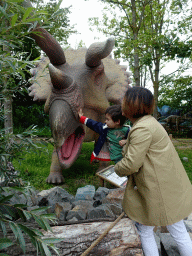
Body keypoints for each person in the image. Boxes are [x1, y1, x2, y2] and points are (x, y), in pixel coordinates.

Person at [114, 86, 192, 256]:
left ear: (132, 107)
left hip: (159, 192)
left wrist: (116, 168)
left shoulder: (142, 128)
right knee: (178, 231)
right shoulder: (149, 123)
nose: (122, 105)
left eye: (124, 101)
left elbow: (131, 164)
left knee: (145, 230)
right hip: (169, 188)